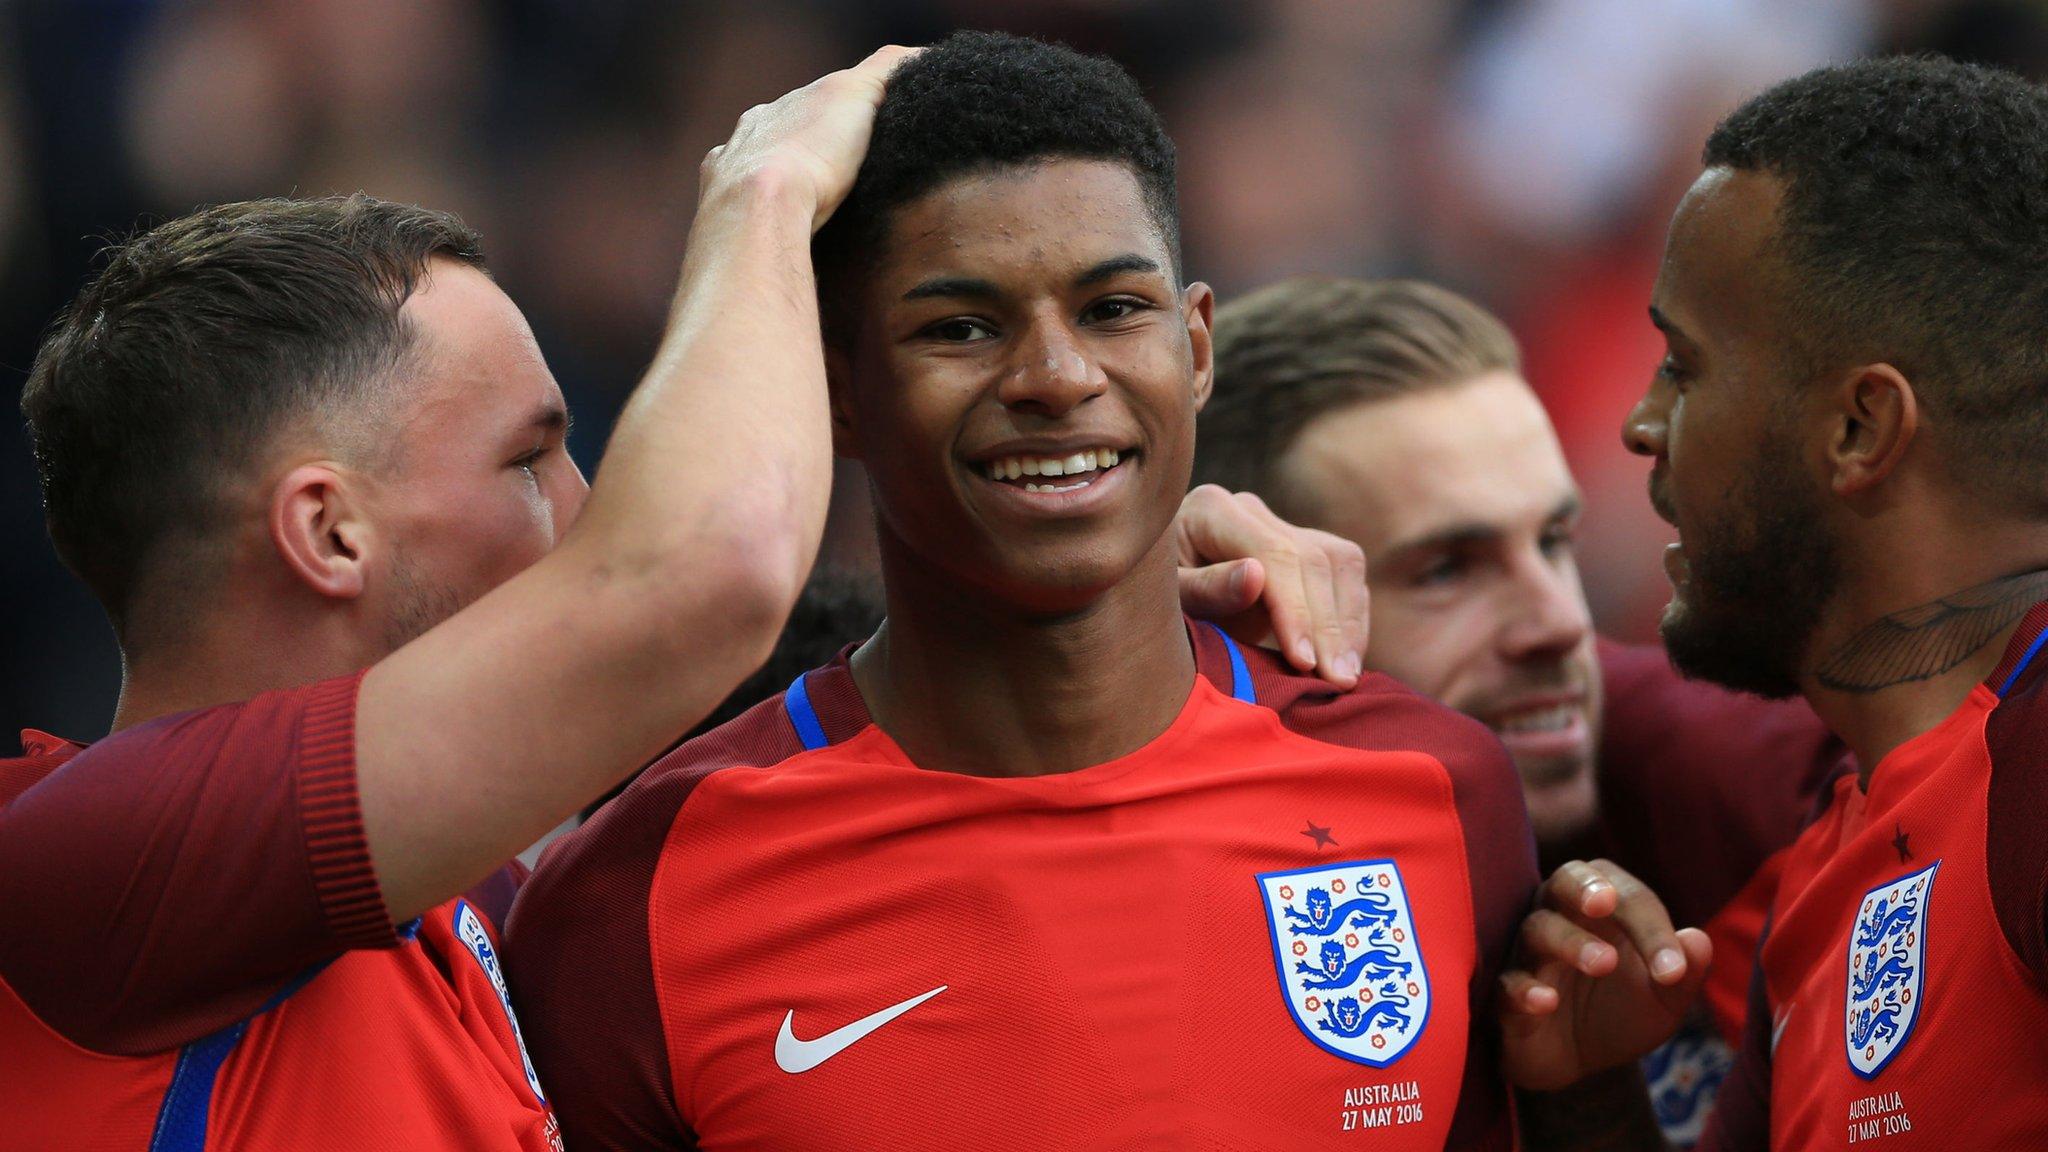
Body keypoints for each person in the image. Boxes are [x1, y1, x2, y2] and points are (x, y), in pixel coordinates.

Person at [0, 46, 1366, 1151]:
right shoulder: (95, 873)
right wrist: (761, 193)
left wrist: (1123, 551)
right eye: (534, 458)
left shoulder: (454, 891)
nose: (591, 513)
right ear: (330, 531)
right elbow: (697, 578)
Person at [507, 32, 1641, 1150]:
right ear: (837, 395)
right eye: (960, 327)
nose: (1056, 377)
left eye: (1112, 309)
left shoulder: (1434, 790)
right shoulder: (636, 894)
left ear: (1194, 348)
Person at [1508, 55, 2048, 1150]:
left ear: (1857, 429)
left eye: (1682, 364)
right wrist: (1589, 1099)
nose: (1639, 424)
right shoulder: (1827, 861)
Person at [1194, 277, 1847, 1143]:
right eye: (1446, 570)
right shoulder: (1168, 897)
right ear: (1251, 614)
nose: (1559, 623)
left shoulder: (1748, 786)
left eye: (1552, 542)